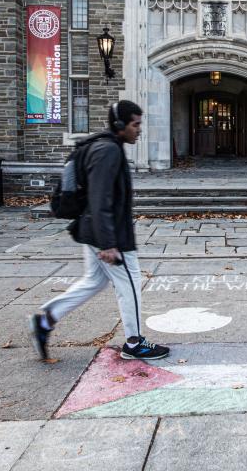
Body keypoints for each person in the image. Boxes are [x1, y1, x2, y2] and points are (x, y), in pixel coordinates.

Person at [28, 100, 169, 361]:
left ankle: (46, 319)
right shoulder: (108, 151)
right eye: (135, 124)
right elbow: (99, 198)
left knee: (94, 281)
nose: (139, 130)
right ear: (120, 125)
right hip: (108, 233)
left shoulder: (103, 146)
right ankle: (135, 342)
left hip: (92, 229)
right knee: (130, 283)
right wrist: (108, 243)